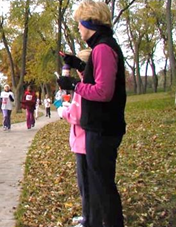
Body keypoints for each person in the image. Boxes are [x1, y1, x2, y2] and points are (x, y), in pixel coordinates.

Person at [56, 1, 127, 226]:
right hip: (99, 127)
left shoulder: (104, 48)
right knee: (99, 185)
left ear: (90, 22)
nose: (78, 27)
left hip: (103, 129)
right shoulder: (100, 47)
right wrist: (77, 63)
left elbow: (103, 91)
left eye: (79, 22)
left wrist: (75, 85)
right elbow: (95, 75)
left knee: (103, 187)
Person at [57, 49, 91, 227]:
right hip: (85, 142)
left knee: (85, 183)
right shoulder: (85, 84)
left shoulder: (84, 86)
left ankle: (89, 220)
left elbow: (76, 116)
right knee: (86, 182)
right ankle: (88, 215)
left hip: (84, 143)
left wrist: (62, 111)